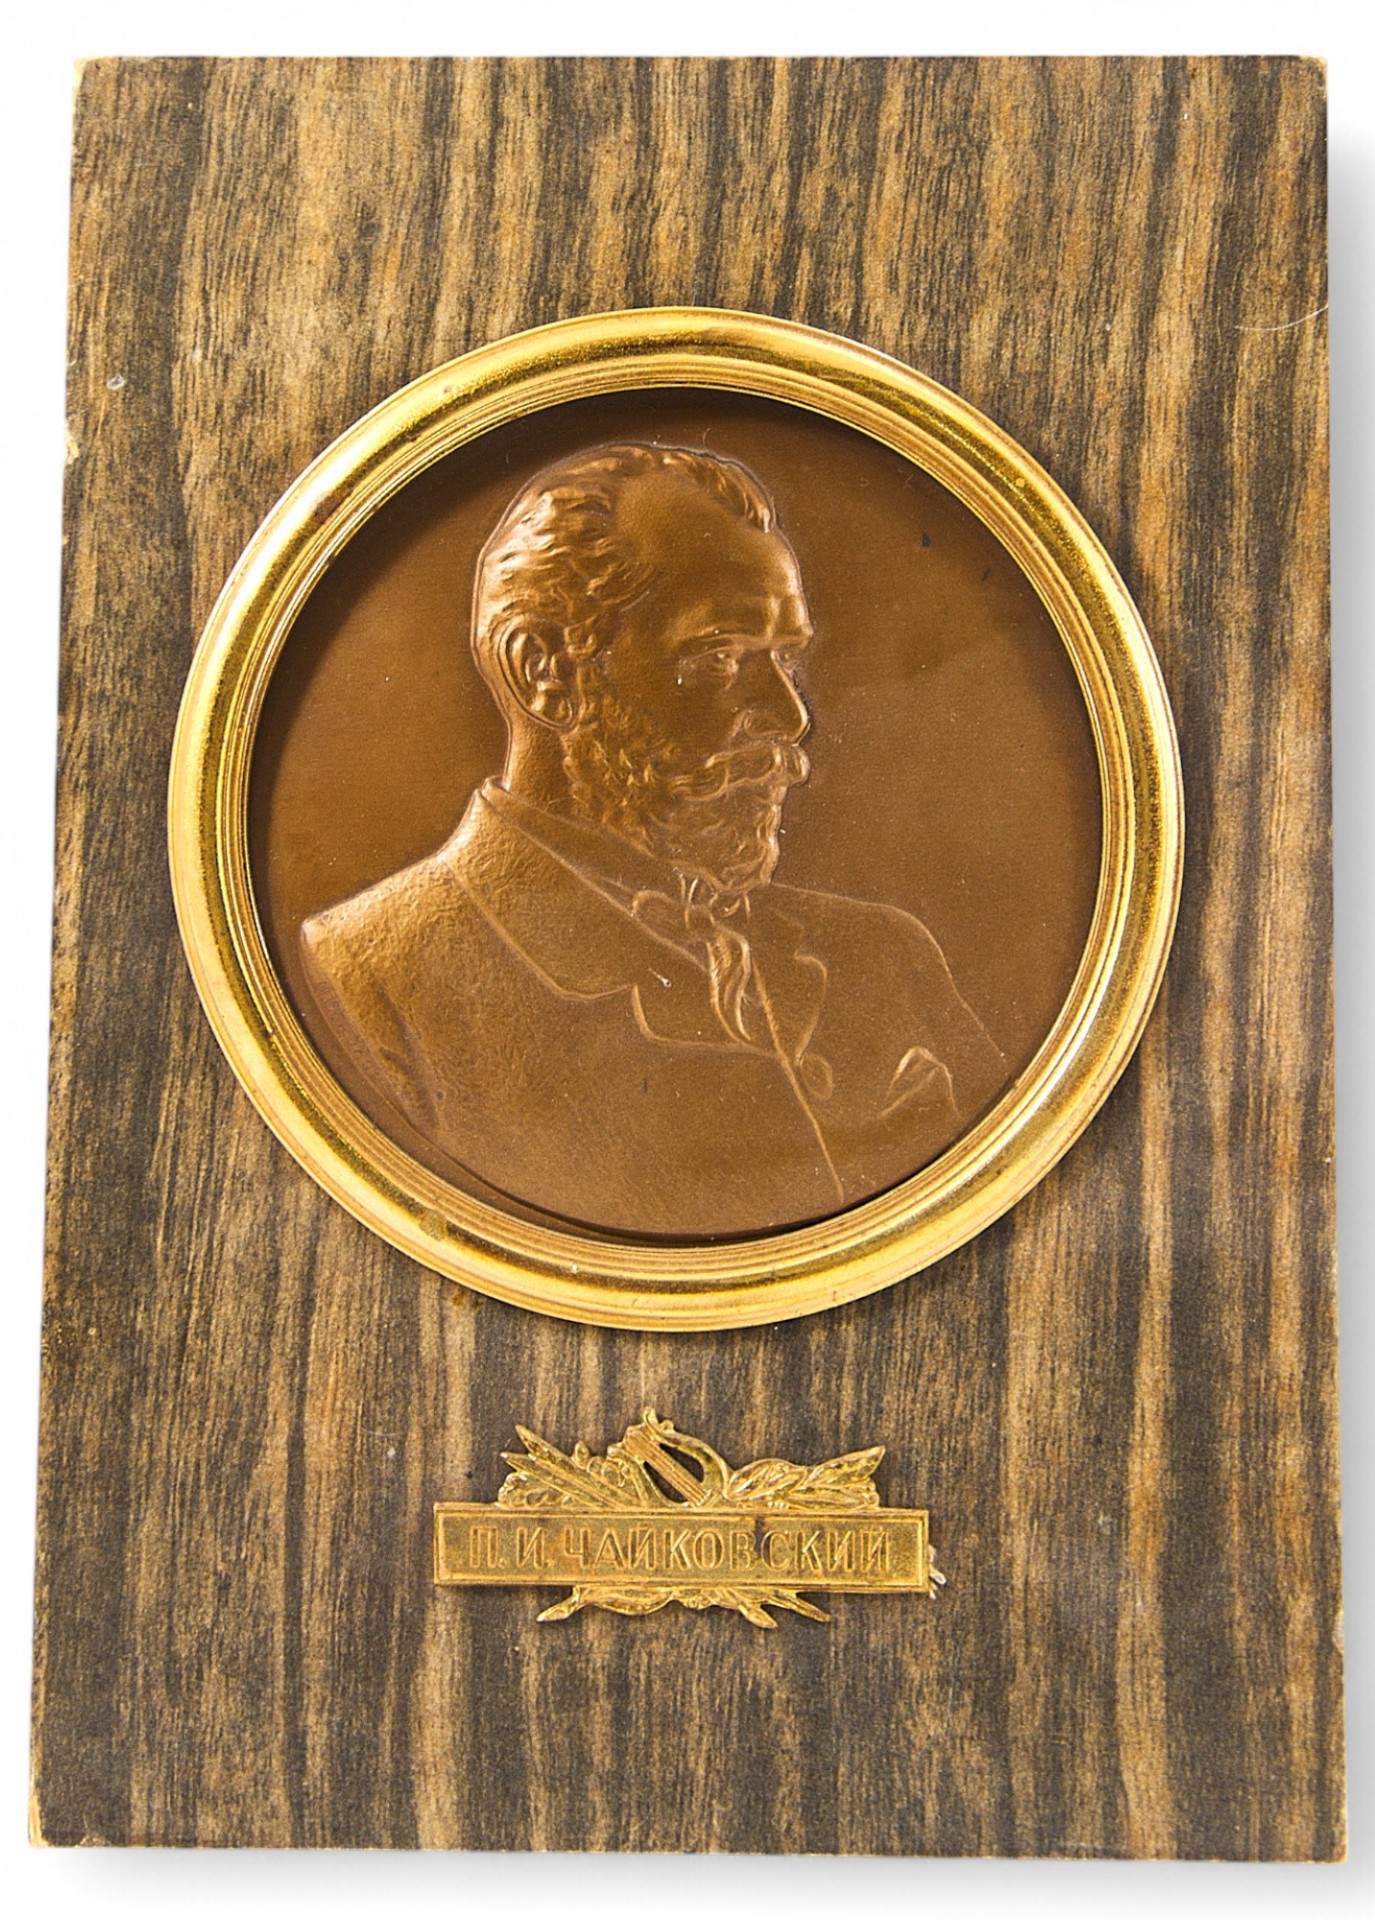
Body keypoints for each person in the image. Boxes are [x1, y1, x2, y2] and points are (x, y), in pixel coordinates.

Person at [301, 442, 1005, 1236]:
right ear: (543, 671)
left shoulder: (886, 959)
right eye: (718, 657)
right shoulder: (374, 980)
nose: (789, 717)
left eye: (783, 657)